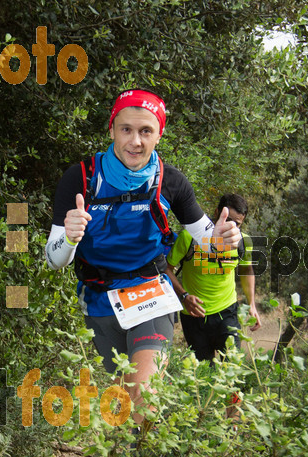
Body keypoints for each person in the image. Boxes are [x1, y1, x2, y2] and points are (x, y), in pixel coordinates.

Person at [45, 88, 241, 424]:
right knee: (123, 400)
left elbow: (208, 238)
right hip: (100, 299)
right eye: (126, 130)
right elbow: (54, 259)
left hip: (152, 291)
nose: (135, 141)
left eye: (146, 131)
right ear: (112, 130)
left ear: (159, 135)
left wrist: (226, 240)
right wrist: (71, 237)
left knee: (144, 391)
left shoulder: (172, 182)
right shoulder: (80, 178)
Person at [165, 193, 261, 363]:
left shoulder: (242, 243)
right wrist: (183, 296)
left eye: (237, 224)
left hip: (227, 312)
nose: (230, 227)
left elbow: (246, 269)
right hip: (194, 315)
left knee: (232, 371)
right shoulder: (190, 237)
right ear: (216, 213)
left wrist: (252, 303)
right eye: (227, 219)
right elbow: (166, 268)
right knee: (204, 374)